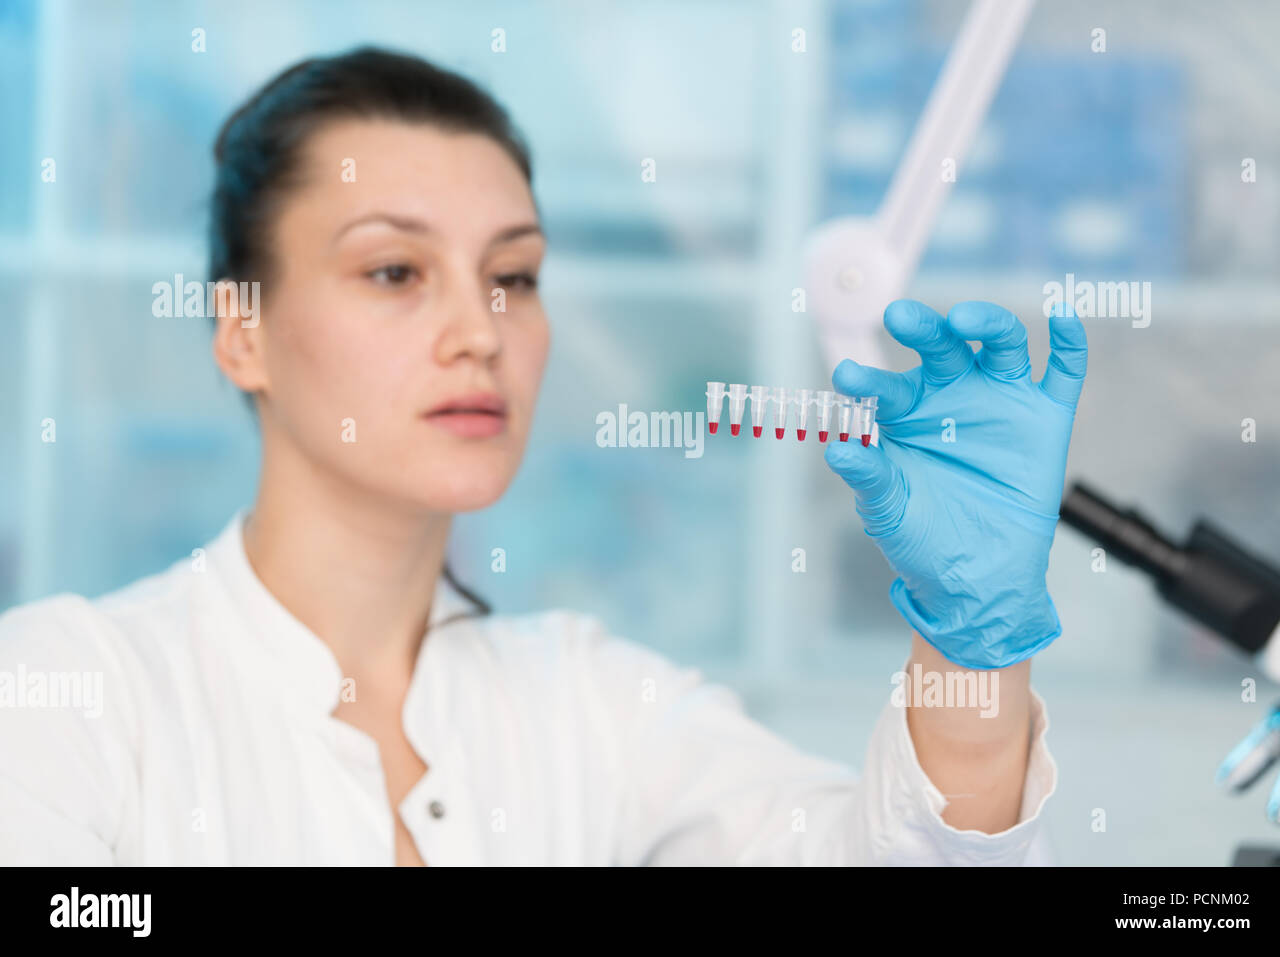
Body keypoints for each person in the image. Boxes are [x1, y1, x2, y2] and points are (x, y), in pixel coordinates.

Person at [0, 47, 1086, 866]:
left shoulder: (594, 709)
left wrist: (970, 650)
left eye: (511, 276)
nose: (480, 331)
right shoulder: (71, 699)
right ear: (243, 330)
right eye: (394, 272)